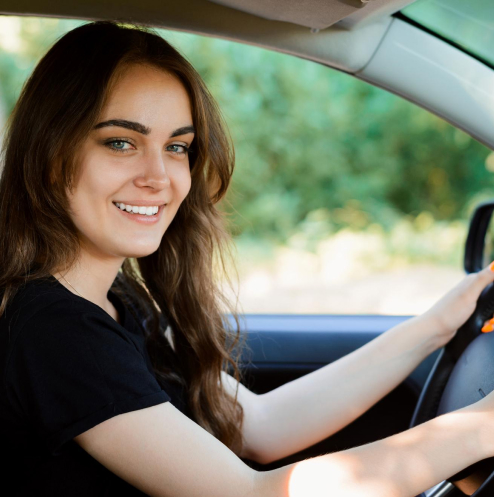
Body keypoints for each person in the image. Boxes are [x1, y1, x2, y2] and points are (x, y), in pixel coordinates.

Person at [0, 20, 494, 497]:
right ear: (51, 156)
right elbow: (249, 494)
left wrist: (437, 324)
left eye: (177, 147)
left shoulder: (117, 299)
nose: (159, 176)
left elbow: (260, 426)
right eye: (121, 142)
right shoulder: (55, 331)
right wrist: (481, 428)